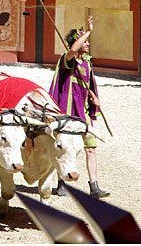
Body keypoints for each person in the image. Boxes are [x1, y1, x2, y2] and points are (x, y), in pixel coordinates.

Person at [49, 15, 110, 199]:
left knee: (90, 148)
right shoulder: (66, 61)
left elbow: (90, 87)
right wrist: (88, 31)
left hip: (82, 113)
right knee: (67, 147)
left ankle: (94, 186)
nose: (88, 44)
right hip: (67, 112)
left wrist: (95, 101)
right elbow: (73, 49)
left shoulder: (86, 64)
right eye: (85, 41)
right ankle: (61, 183)